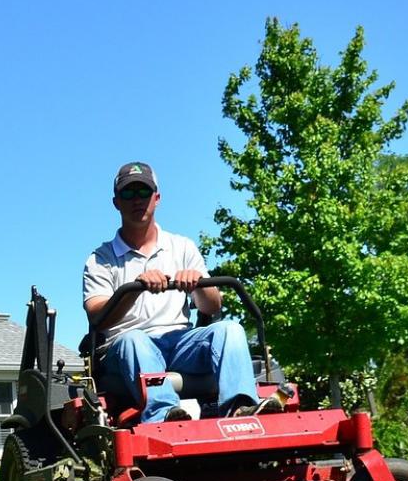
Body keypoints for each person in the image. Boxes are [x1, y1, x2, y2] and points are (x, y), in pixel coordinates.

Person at [82, 161, 277, 421]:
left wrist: (198, 284)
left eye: (144, 192)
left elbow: (212, 307)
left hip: (180, 343)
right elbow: (97, 316)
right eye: (128, 193)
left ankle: (240, 407)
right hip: (126, 350)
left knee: (229, 329)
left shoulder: (182, 247)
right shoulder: (100, 259)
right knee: (134, 340)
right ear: (116, 202)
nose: (137, 200)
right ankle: (164, 414)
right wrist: (136, 289)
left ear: (157, 198)